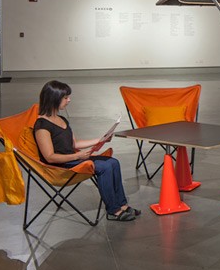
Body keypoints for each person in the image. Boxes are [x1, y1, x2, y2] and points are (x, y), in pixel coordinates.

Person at [33, 80, 140, 221]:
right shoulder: (42, 125)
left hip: (73, 159)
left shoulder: (62, 119)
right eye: (65, 97)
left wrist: (100, 139)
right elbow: (50, 157)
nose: (69, 100)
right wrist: (77, 156)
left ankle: (122, 205)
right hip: (61, 165)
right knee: (105, 167)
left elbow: (74, 143)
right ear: (54, 98)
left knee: (113, 162)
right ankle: (113, 210)